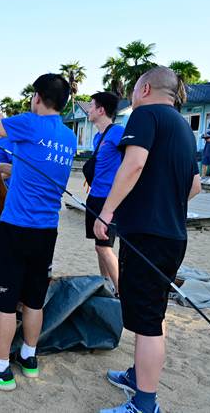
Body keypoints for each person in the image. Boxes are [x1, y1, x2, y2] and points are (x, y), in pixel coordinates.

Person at [93, 66, 201, 413]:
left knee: (149, 321)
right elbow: (195, 186)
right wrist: (162, 201)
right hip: (172, 235)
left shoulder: (145, 115)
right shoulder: (184, 128)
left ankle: (144, 403)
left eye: (134, 90)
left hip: (148, 237)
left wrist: (107, 212)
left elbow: (134, 165)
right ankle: (139, 377)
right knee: (152, 312)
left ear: (145, 89)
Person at [0, 74, 76, 391]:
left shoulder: (30, 122)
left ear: (37, 97)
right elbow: (36, 169)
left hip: (17, 229)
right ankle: (29, 358)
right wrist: (0, 168)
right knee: (33, 299)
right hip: (47, 231)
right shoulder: (68, 137)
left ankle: (1, 370)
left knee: (3, 300)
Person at [85, 92, 124, 294]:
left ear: (101, 110)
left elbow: (133, 161)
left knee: (104, 247)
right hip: (95, 196)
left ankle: (121, 291)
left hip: (109, 199)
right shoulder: (97, 137)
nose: (89, 110)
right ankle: (106, 285)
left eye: (91, 106)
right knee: (98, 247)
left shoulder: (118, 132)